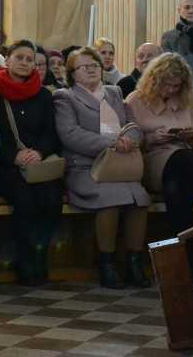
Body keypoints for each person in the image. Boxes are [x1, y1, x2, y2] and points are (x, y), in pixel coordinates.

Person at [54, 47, 151, 289]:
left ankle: (134, 263)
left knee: (139, 198)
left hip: (119, 166)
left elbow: (132, 126)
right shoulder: (65, 97)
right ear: (72, 73)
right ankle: (106, 264)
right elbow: (70, 134)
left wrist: (131, 139)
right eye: (84, 66)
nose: (91, 69)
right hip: (86, 168)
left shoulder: (114, 92)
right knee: (111, 198)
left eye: (95, 65)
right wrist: (112, 143)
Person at [0, 40, 63, 286]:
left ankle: (41, 254)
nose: (24, 63)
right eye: (19, 57)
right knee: (25, 198)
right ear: (7, 60)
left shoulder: (43, 95)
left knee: (52, 198)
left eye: (29, 59)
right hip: (5, 164)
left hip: (38, 163)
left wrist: (39, 152)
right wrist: (13, 156)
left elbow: (51, 132)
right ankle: (24, 259)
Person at [125, 53, 193, 282]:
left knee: (182, 176)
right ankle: (186, 259)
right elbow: (129, 142)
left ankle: (180, 254)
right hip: (152, 161)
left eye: (176, 86)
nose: (171, 90)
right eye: (166, 85)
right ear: (154, 80)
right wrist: (152, 138)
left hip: (185, 165)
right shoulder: (135, 100)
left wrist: (191, 137)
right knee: (185, 168)